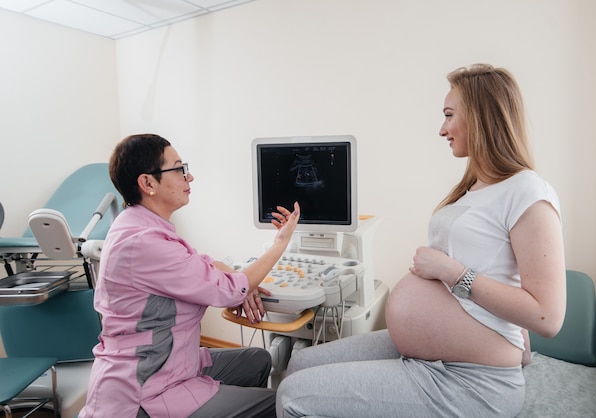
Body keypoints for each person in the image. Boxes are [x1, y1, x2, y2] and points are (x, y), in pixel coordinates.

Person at [275, 64, 566, 417]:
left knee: (292, 395)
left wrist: (454, 272)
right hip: (436, 351)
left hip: (472, 379)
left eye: (449, 115)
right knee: (300, 362)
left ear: (481, 115)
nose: (442, 128)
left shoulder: (528, 191)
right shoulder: (475, 188)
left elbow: (548, 316)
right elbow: (504, 269)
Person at [79, 134, 300, 418]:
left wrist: (240, 277)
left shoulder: (138, 223)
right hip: (145, 388)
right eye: (179, 169)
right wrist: (280, 243)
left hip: (168, 363)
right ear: (148, 183)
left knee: (257, 359)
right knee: (280, 404)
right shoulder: (144, 242)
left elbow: (200, 264)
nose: (190, 177)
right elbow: (230, 291)